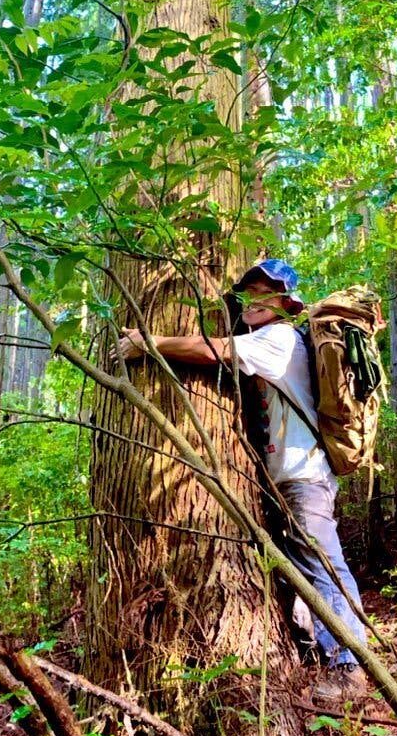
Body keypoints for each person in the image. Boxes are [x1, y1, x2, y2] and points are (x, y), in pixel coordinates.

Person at [119, 256, 366, 703]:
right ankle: (321, 654)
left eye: (266, 291)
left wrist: (147, 342)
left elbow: (214, 349)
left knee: (324, 567)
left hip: (303, 477)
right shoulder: (275, 338)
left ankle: (350, 666)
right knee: (304, 571)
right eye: (248, 291)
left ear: (288, 302)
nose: (254, 299)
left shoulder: (280, 338)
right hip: (289, 478)